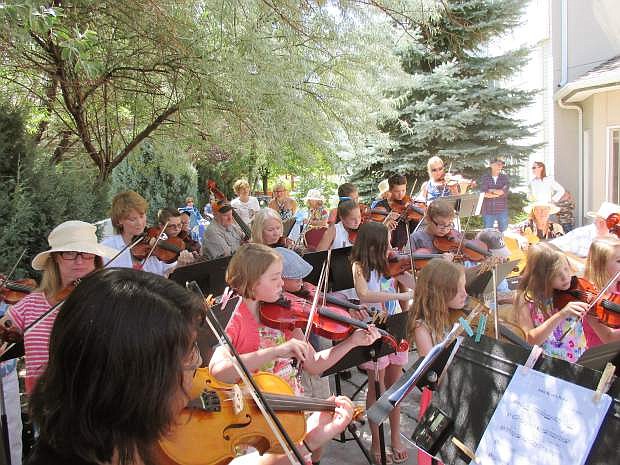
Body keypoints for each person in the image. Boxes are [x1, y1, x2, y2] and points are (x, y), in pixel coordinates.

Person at [26, 267, 355, 465]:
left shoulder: (124, 435)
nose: (196, 382)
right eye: (186, 362)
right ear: (133, 380)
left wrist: (306, 442)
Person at [3, 221, 116, 393]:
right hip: (44, 402)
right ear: (55, 257)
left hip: (92, 399)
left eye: (86, 254)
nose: (79, 261)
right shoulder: (32, 303)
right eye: (70, 253)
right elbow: (5, 329)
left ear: (96, 259)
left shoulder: (108, 300)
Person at [350, 222, 415, 465]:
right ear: (373, 245)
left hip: (397, 328)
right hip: (375, 331)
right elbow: (364, 294)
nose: (391, 247)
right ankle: (377, 443)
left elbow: (415, 285)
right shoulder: (360, 267)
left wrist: (413, 273)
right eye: (386, 243)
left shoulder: (392, 263)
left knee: (395, 386)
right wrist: (398, 295)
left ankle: (396, 438)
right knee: (376, 389)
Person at [407, 259, 467, 465]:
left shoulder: (459, 317)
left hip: (461, 392)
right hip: (440, 397)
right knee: (439, 453)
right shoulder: (422, 327)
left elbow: (476, 339)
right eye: (458, 290)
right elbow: (433, 372)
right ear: (440, 293)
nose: (465, 295)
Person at [513, 242, 588, 362]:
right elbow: (530, 339)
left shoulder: (574, 289)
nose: (565, 277)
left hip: (580, 361)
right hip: (549, 367)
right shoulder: (526, 299)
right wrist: (561, 314)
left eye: (565, 268)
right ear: (541, 276)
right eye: (556, 274)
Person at [102, 191, 192, 275]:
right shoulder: (106, 248)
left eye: (142, 216)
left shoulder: (157, 240)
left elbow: (166, 273)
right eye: (132, 219)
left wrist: (179, 266)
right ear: (119, 221)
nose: (140, 223)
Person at [582, 238, 620, 347]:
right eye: (619, 261)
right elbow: (609, 337)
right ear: (601, 265)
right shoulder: (592, 298)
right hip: (603, 360)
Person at [551, 201, 620, 258]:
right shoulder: (582, 234)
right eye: (599, 221)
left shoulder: (616, 239)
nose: (599, 224)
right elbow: (552, 247)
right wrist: (580, 263)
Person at [373, 174, 418, 250]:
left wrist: (413, 219)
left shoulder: (409, 203)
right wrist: (386, 222)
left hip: (407, 246)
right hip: (388, 247)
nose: (401, 194)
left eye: (403, 190)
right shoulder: (381, 205)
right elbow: (375, 231)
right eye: (397, 191)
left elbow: (416, 228)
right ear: (390, 190)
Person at [478, 158, 510, 232]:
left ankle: (502, 244)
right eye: (498, 164)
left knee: (504, 232)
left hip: (502, 209)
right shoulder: (485, 178)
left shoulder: (505, 178)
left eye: (501, 165)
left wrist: (491, 190)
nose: (500, 167)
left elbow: (503, 192)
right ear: (491, 165)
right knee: (488, 233)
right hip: (488, 210)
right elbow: (484, 194)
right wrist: (498, 192)